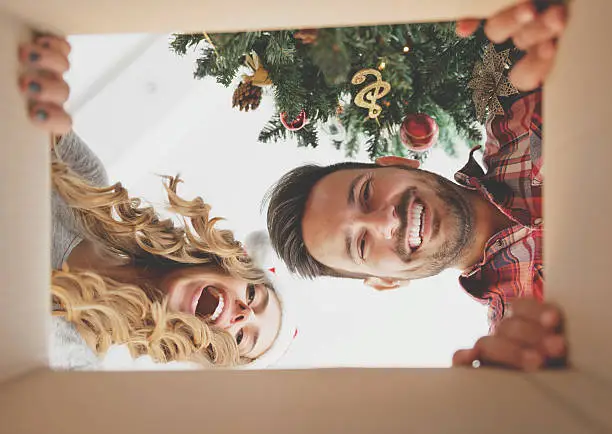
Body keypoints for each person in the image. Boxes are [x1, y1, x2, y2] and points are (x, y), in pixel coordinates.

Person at [264, 1, 568, 370]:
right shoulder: (520, 350)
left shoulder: (516, 107)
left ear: (398, 162)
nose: (385, 221)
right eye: (361, 244)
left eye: (365, 194)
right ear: (386, 283)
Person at [17, 35, 297, 370]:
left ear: (205, 351)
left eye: (241, 338)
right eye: (253, 295)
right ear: (228, 265)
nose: (246, 313)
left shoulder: (75, 364)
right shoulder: (86, 181)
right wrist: (33, 85)